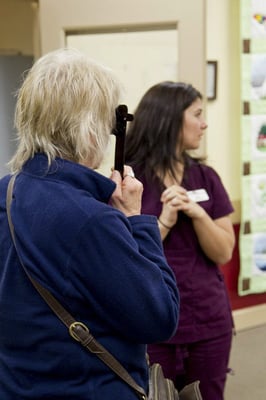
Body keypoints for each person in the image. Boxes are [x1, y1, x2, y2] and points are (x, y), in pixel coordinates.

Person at [0, 49, 180, 400]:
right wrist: (136, 221)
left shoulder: (6, 193)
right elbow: (160, 316)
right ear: (90, 126)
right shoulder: (90, 220)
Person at [125, 81, 235, 400]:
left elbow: (224, 251)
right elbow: (127, 256)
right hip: (153, 323)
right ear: (170, 119)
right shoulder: (131, 182)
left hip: (208, 322)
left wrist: (198, 214)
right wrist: (165, 222)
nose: (204, 123)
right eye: (197, 114)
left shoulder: (206, 177)